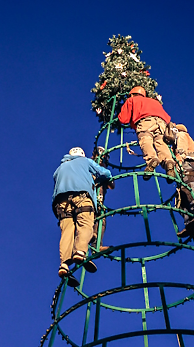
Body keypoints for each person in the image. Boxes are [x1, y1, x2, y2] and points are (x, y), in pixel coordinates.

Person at [52, 147, 112, 282]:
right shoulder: (85, 162)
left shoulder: (59, 169)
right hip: (81, 196)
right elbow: (104, 173)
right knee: (85, 224)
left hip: (60, 203)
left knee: (67, 232)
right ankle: (80, 252)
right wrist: (107, 178)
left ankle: (64, 264)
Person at [116, 86, 177, 181]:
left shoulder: (132, 100)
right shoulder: (154, 102)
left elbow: (123, 119)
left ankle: (151, 159)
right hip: (161, 124)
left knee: (145, 140)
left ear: (132, 94)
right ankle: (168, 162)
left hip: (145, 121)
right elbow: (167, 118)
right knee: (161, 143)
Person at [163, 123, 194, 237]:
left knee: (189, 187)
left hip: (190, 163)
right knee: (182, 194)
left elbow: (181, 152)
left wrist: (176, 166)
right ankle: (190, 222)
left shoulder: (181, 135)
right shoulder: (177, 140)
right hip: (188, 165)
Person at [91, 146, 114, 251]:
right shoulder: (89, 164)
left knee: (101, 219)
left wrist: (106, 175)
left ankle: (97, 244)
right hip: (89, 196)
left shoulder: (105, 170)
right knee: (89, 217)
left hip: (100, 197)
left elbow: (112, 185)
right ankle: (84, 245)